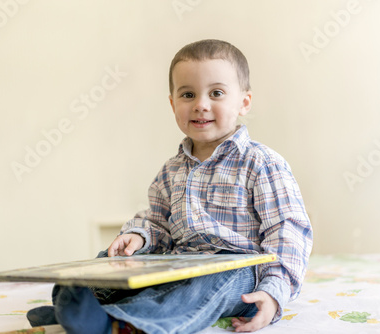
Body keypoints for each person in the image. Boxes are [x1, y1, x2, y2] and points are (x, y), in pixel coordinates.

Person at [27, 39, 313, 334]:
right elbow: (158, 223)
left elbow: (288, 230)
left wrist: (273, 291)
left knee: (214, 281)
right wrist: (139, 237)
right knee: (108, 263)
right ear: (173, 103)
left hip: (241, 274)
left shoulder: (261, 162)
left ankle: (122, 324)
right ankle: (81, 308)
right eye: (188, 94)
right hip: (179, 265)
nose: (201, 104)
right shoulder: (172, 170)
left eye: (216, 93)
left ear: (244, 102)